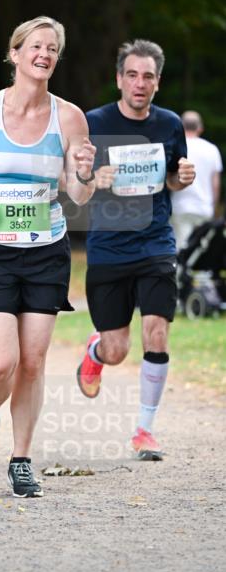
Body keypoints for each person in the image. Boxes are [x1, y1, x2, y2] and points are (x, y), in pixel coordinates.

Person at [0, 16, 96, 498]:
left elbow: (79, 195)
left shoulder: (69, 117)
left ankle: (23, 459)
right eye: (35, 46)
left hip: (46, 250)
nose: (44, 54)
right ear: (15, 54)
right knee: (2, 360)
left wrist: (86, 173)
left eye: (52, 48)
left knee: (33, 361)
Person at [76, 39, 196, 461]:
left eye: (147, 76)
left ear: (157, 83)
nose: (139, 83)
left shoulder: (169, 125)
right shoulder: (93, 122)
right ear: (119, 79)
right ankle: (95, 352)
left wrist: (183, 176)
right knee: (117, 350)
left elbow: (172, 181)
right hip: (109, 247)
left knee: (157, 330)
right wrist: (94, 178)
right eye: (132, 74)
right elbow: (74, 184)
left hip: (155, 241)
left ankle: (145, 430)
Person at [170, 111, 222, 251]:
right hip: (203, 208)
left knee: (181, 249)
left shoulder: (175, 147)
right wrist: (213, 206)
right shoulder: (212, 149)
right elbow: (215, 184)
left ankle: (180, 272)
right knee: (201, 251)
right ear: (200, 128)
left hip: (180, 207)